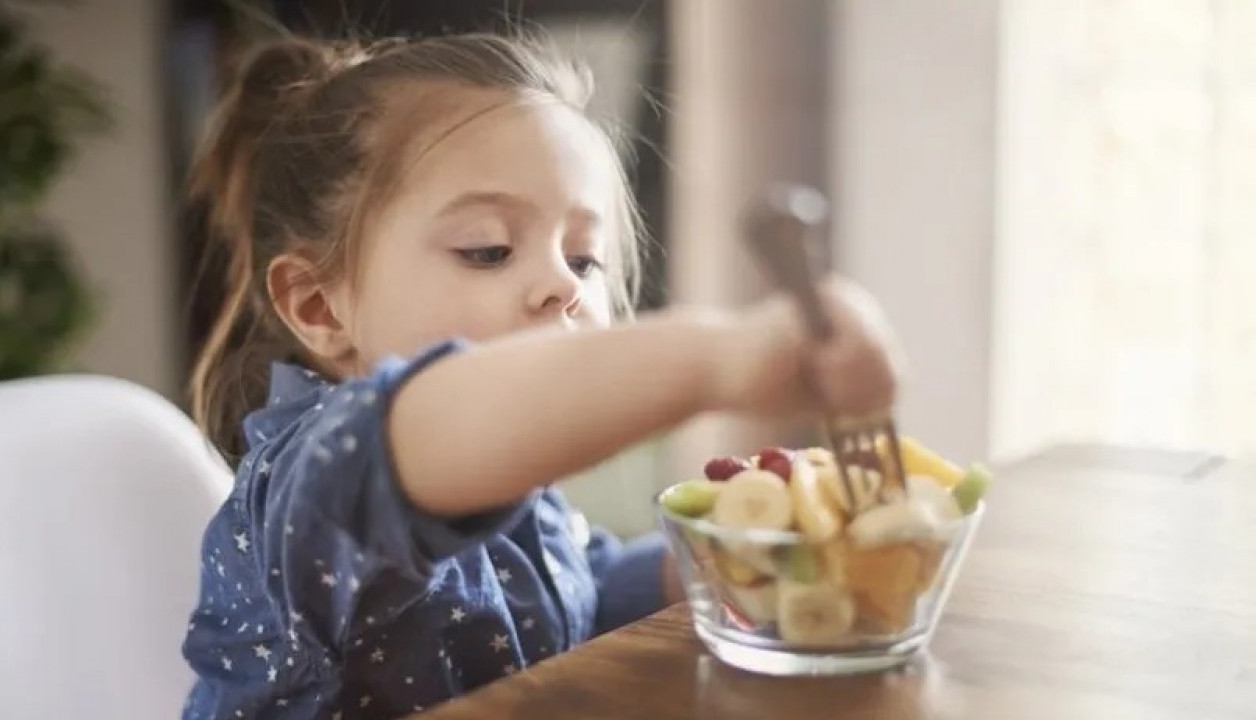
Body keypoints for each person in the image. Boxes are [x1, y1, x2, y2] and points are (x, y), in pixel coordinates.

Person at [179, 32, 902, 720]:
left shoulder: (516, 491)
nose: (564, 285)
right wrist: (722, 354)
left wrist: (723, 551)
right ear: (318, 306)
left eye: (584, 259)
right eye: (488, 250)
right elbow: (443, 420)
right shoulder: (314, 485)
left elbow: (583, 595)